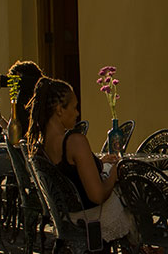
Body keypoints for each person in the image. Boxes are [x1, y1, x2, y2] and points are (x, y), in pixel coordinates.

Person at [25, 75, 136, 244]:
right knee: (135, 192)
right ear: (59, 110)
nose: (77, 113)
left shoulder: (40, 146)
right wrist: (115, 172)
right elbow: (97, 196)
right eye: (75, 107)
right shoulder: (75, 141)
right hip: (91, 217)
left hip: (65, 216)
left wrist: (99, 163)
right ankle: (150, 249)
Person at [0, 60, 44, 132]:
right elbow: (15, 133)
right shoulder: (21, 100)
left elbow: (32, 82)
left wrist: (3, 81)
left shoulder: (38, 86)